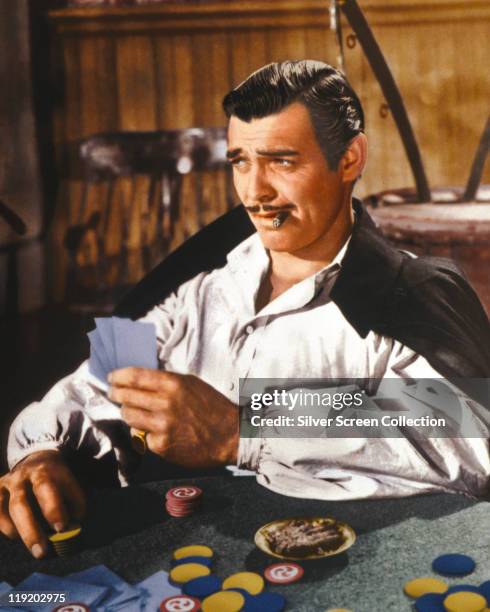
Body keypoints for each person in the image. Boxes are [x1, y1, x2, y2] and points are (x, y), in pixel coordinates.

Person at [1, 61, 489, 559]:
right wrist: (42, 452)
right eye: (240, 161)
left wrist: (244, 426)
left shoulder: (412, 292)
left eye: (281, 161)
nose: (254, 192)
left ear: (349, 159)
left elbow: (467, 434)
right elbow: (98, 381)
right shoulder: (197, 286)